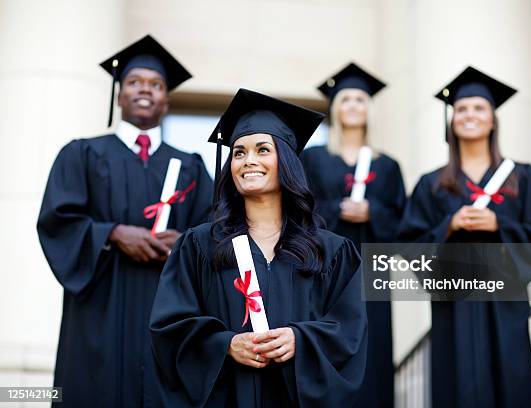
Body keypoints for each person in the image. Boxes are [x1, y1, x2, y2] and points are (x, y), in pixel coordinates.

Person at [149, 88, 368, 407]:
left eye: (262, 150)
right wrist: (225, 345)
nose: (248, 161)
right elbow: (169, 329)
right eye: (239, 152)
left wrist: (300, 340)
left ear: (287, 161)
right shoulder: (199, 245)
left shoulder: (331, 251)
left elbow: (350, 331)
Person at [36, 34, 214, 407]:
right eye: (134, 82)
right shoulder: (82, 154)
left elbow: (215, 230)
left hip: (166, 308)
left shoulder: (191, 166)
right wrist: (113, 233)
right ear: (119, 95)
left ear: (166, 99)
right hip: (100, 303)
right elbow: (58, 221)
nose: (145, 90)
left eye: (156, 84)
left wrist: (184, 242)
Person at [399, 66, 531, 408]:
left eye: (479, 108)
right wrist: (449, 226)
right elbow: (409, 247)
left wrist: (498, 225)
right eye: (461, 109)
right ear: (452, 120)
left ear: (492, 120)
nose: (469, 115)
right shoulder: (431, 184)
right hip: (452, 308)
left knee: (511, 386)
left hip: (505, 305)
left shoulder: (523, 178)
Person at [300, 62, 406, 407]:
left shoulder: (387, 165)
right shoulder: (313, 159)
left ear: (369, 109)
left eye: (360, 100)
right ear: (334, 109)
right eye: (346, 100)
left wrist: (372, 212)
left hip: (372, 269)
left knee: (372, 344)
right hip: (325, 268)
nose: (353, 106)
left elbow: (403, 220)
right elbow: (300, 210)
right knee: (327, 337)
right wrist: (335, 210)